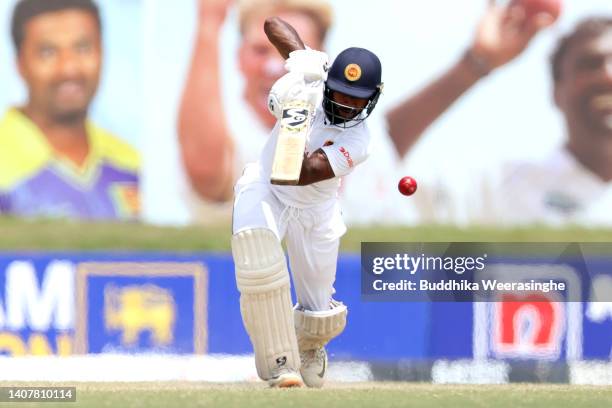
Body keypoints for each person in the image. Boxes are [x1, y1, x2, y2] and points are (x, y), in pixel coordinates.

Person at [231, 17, 383, 387]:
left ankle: (310, 346)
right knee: (258, 261)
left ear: (371, 99)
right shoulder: (312, 82)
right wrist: (303, 60)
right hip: (266, 189)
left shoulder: (358, 143)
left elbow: (296, 172)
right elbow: (271, 23)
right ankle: (280, 364)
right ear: (330, 81)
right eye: (341, 93)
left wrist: (295, 115)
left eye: (356, 99)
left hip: (315, 210)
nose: (346, 105)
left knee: (318, 312)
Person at [386, 2, 612, 226]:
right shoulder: (497, 189)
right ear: (556, 92)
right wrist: (474, 64)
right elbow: (366, 162)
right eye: (590, 64)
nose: (608, 75)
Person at [177, 0, 332, 224]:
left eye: (292, 52)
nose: (275, 66)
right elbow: (204, 168)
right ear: (239, 57)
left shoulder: (344, 125)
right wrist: (209, 23)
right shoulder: (230, 132)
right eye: (260, 51)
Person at [0, 0, 139, 220]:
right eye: (47, 52)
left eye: (83, 48)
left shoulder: (133, 165)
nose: (69, 68)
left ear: (102, 53)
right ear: (19, 64)